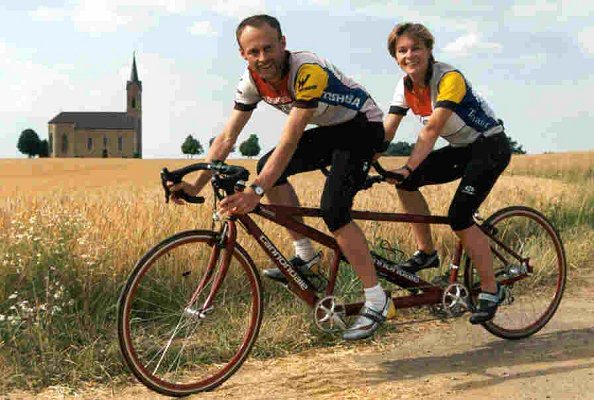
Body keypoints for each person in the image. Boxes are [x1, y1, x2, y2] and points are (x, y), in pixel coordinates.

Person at [168, 15, 395, 340]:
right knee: (268, 167)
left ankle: (377, 299)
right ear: (243, 54)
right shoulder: (251, 80)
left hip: (363, 127)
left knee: (334, 210)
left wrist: (255, 191)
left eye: (268, 48)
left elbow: (290, 140)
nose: (263, 58)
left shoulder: (307, 70)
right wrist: (195, 184)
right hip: (331, 129)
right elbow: (228, 137)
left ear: (283, 44)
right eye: (253, 51)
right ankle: (306, 255)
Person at [383, 22, 511, 324]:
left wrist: (408, 166)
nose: (409, 55)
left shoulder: (449, 78)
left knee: (459, 216)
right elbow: (387, 131)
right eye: (402, 50)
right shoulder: (404, 86)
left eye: (416, 48)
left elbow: (431, 130)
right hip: (462, 148)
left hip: (489, 145)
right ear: (395, 57)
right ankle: (426, 253)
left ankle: (491, 290)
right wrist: (363, 161)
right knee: (406, 185)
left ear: (429, 50)